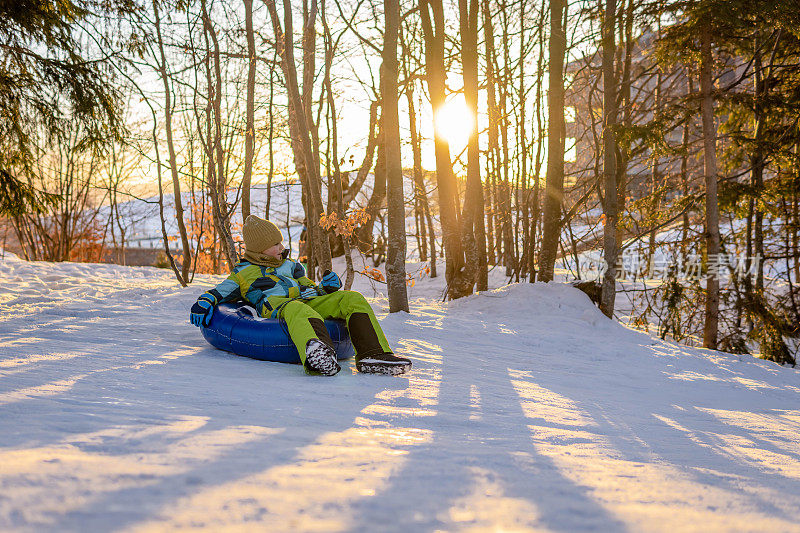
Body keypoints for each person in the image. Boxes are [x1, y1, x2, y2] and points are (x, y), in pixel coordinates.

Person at [190, 215, 411, 376]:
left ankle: (374, 355)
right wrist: (204, 302)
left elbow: (309, 288)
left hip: (307, 301)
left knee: (351, 298)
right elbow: (220, 292)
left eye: (280, 241)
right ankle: (318, 357)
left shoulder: (290, 265)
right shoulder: (242, 273)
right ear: (260, 249)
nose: (281, 247)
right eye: (275, 244)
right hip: (281, 309)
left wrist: (326, 288)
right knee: (298, 308)